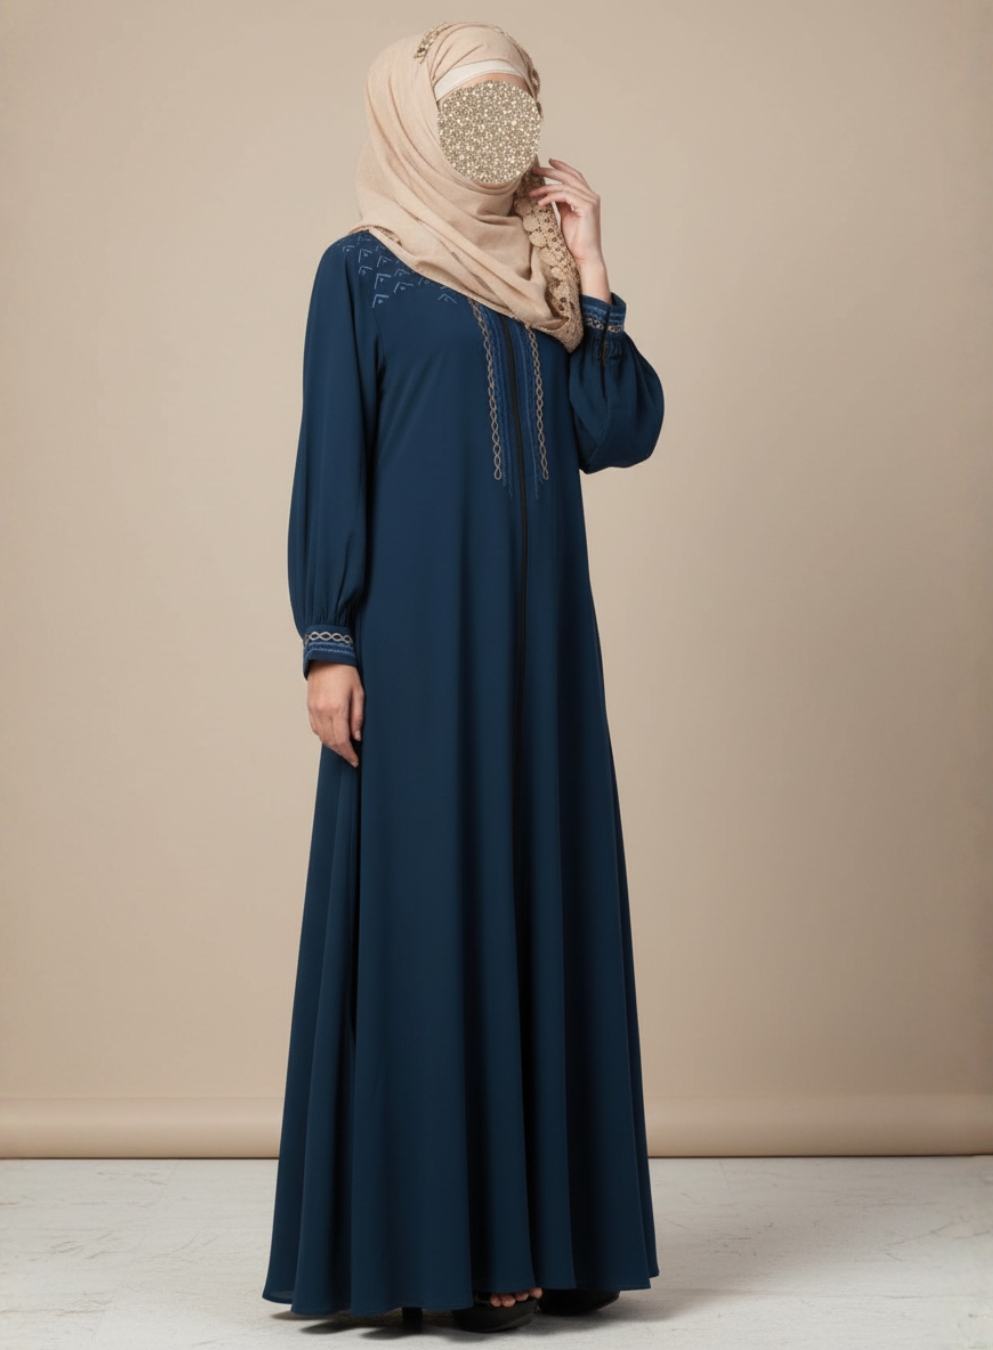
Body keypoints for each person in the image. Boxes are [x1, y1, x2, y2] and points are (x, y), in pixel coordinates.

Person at [262, 20, 664, 1335]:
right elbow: (333, 457)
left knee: (539, 890)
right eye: (470, 109)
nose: (498, 133)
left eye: (516, 106)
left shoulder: (541, 268)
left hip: (543, 651)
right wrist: (328, 638)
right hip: (419, 644)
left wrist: (593, 269)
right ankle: (441, 1243)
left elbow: (617, 432)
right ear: (416, 120)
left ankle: (545, 1237)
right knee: (431, 905)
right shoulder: (362, 271)